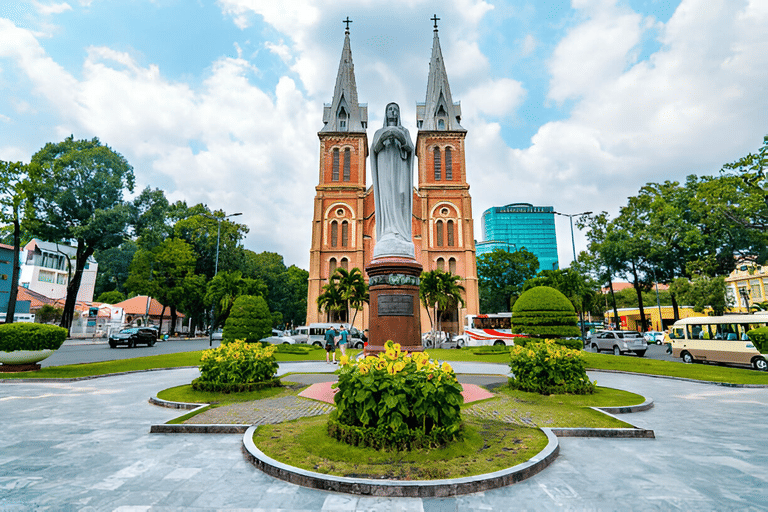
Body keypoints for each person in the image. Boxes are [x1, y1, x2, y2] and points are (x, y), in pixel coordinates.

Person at [370, 102, 415, 259]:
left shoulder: (404, 131)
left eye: (396, 110)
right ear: (386, 113)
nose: (393, 112)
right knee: (387, 198)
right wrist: (383, 137)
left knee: (401, 196)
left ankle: (400, 232)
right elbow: (374, 149)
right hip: (384, 172)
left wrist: (401, 138)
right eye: (390, 109)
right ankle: (388, 230)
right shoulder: (378, 132)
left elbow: (410, 148)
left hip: (400, 171)